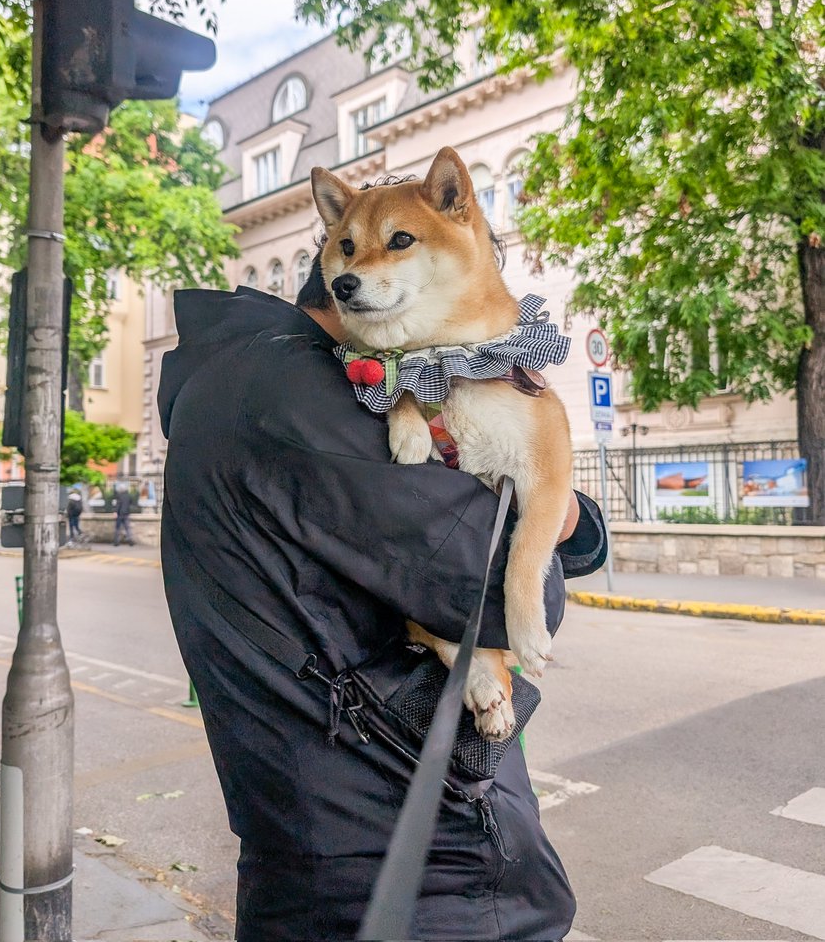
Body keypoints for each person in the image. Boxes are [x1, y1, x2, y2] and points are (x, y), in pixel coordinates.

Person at [159, 254, 608, 941]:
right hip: (414, 873)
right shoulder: (300, 389)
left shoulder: (242, 378)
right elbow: (503, 598)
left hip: (333, 853)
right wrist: (552, 498)